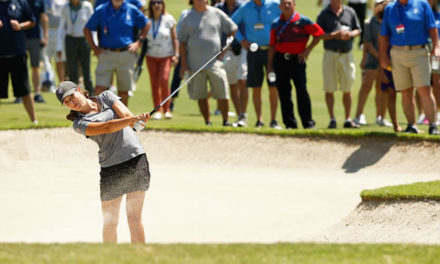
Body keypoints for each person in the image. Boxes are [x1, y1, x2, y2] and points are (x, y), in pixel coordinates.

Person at [56, 81, 151, 243]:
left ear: (79, 90)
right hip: (110, 169)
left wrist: (139, 121)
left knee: (134, 219)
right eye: (67, 102)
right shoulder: (79, 124)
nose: (72, 102)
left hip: (135, 160)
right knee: (110, 222)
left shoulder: (106, 96)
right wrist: (132, 121)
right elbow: (106, 127)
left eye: (72, 96)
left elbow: (129, 119)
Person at [379, 0, 440, 135]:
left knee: (424, 89)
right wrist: (383, 56)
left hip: (419, 52)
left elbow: (432, 28)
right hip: (397, 53)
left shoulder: (422, 4)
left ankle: (432, 125)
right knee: (406, 92)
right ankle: (411, 125)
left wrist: (436, 46)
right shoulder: (390, 8)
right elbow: (384, 34)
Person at [178, 0, 237, 126]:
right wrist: (183, 64)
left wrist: (224, 49)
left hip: (215, 62)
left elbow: (233, 29)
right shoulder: (187, 16)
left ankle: (225, 121)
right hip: (194, 63)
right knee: (201, 95)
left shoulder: (217, 13)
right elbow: (182, 42)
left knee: (222, 92)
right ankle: (207, 122)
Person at [268, 0, 323, 129]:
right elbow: (272, 45)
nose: (287, 6)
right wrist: (270, 66)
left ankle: (308, 123)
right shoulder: (275, 23)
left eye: (289, 3)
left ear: (294, 5)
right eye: (284, 4)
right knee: (284, 92)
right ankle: (290, 124)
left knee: (301, 90)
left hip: (297, 61)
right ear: (280, 6)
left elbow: (319, 34)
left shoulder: (304, 21)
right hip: (280, 60)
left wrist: (307, 50)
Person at [83, 0, 151, 106]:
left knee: (123, 92)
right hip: (106, 53)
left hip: (126, 54)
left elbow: (146, 24)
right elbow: (87, 29)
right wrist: (95, 48)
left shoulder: (131, 9)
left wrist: (138, 43)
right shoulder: (102, 10)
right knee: (99, 89)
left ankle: (122, 120)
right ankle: (97, 118)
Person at [231, 0, 282, 129]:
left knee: (273, 86)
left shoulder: (275, 5)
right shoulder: (246, 7)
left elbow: (287, 19)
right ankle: (259, 120)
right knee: (256, 87)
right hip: (254, 52)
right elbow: (232, 23)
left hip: (272, 51)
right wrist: (241, 40)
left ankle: (273, 120)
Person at [317, 0, 361, 129]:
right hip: (331, 54)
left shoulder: (350, 11)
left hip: (347, 54)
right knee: (329, 88)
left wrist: (350, 34)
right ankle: (332, 119)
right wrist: (334, 35)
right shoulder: (324, 14)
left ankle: (348, 119)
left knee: (347, 88)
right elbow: (319, 35)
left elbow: (358, 29)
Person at [354, 0, 392, 127]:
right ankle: (358, 115)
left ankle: (381, 117)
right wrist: (379, 57)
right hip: (373, 60)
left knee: (382, 90)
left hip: (386, 61)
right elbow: (368, 43)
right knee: (366, 87)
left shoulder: (390, 21)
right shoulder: (369, 22)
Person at [0, 0, 38, 124]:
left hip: (18, 53)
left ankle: (34, 121)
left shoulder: (21, 2)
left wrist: (20, 25)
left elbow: (32, 21)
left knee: (24, 90)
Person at [216, 0, 249, 127]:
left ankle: (243, 115)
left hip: (242, 48)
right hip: (226, 51)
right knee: (232, 84)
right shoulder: (219, 8)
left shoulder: (242, 6)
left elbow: (244, 27)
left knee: (242, 80)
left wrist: (241, 42)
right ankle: (239, 115)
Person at [145, 0, 178, 120]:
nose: (156, 5)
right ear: (151, 6)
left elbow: (174, 38)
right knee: (154, 83)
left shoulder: (169, 19)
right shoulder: (147, 20)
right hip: (151, 56)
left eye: (159, 2)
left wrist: (176, 54)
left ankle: (167, 109)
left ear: (163, 5)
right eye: (153, 3)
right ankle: (157, 109)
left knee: (163, 80)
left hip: (166, 56)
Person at [58, 0, 94, 94]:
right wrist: (59, 46)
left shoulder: (87, 6)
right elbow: (61, 27)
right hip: (70, 40)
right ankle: (74, 98)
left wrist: (94, 44)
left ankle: (91, 98)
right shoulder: (65, 7)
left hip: (84, 40)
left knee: (86, 72)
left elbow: (93, 26)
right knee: (72, 71)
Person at [25, 0, 48, 103]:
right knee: (21, 67)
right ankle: (22, 94)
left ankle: (37, 93)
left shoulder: (40, 2)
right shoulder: (20, 1)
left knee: (35, 67)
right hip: (21, 37)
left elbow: (44, 19)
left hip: (35, 37)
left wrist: (45, 36)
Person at [40, 0, 66, 92]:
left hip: (59, 31)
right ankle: (48, 82)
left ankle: (62, 85)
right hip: (46, 31)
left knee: (60, 59)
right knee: (46, 59)